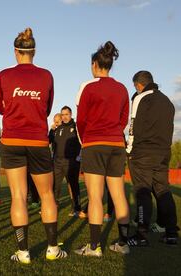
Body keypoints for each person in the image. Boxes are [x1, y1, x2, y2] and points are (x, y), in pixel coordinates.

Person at [0, 28, 67, 264]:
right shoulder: (46, 75)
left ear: (16, 51)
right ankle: (52, 248)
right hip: (37, 140)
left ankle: (23, 251)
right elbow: (47, 108)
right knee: (47, 195)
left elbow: (2, 108)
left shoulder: (3, 75)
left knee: (18, 196)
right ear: (33, 51)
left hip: (12, 140)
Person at [74, 41, 130, 256]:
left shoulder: (90, 88)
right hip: (116, 144)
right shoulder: (122, 88)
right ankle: (123, 244)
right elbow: (124, 119)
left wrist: (88, 138)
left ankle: (95, 247)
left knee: (95, 196)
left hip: (94, 144)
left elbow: (81, 121)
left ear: (95, 64)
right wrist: (114, 132)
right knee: (118, 194)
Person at [126, 71, 179, 246]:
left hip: (143, 153)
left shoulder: (141, 98)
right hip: (163, 152)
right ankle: (171, 233)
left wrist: (129, 150)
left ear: (138, 85)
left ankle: (141, 235)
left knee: (142, 192)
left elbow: (133, 126)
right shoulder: (167, 102)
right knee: (163, 190)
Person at [52, 106, 82, 217]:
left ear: (71, 114)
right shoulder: (58, 128)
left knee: (73, 185)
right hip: (58, 162)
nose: (64, 117)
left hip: (72, 161)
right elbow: (53, 143)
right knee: (55, 185)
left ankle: (76, 207)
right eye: (63, 114)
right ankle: (53, 205)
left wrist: (79, 157)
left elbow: (82, 142)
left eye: (66, 114)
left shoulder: (76, 127)